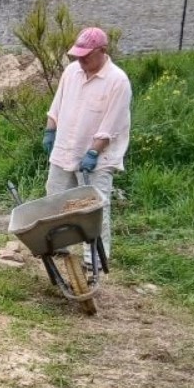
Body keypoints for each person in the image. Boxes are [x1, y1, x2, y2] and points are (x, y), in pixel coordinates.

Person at [43, 27, 132, 269]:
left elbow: (112, 124)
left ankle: (93, 260)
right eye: (78, 56)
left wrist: (93, 151)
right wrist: (50, 130)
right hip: (64, 149)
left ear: (102, 51)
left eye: (86, 56)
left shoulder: (117, 81)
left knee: (92, 209)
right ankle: (58, 244)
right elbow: (57, 105)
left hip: (97, 157)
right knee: (55, 197)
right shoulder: (72, 72)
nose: (80, 61)